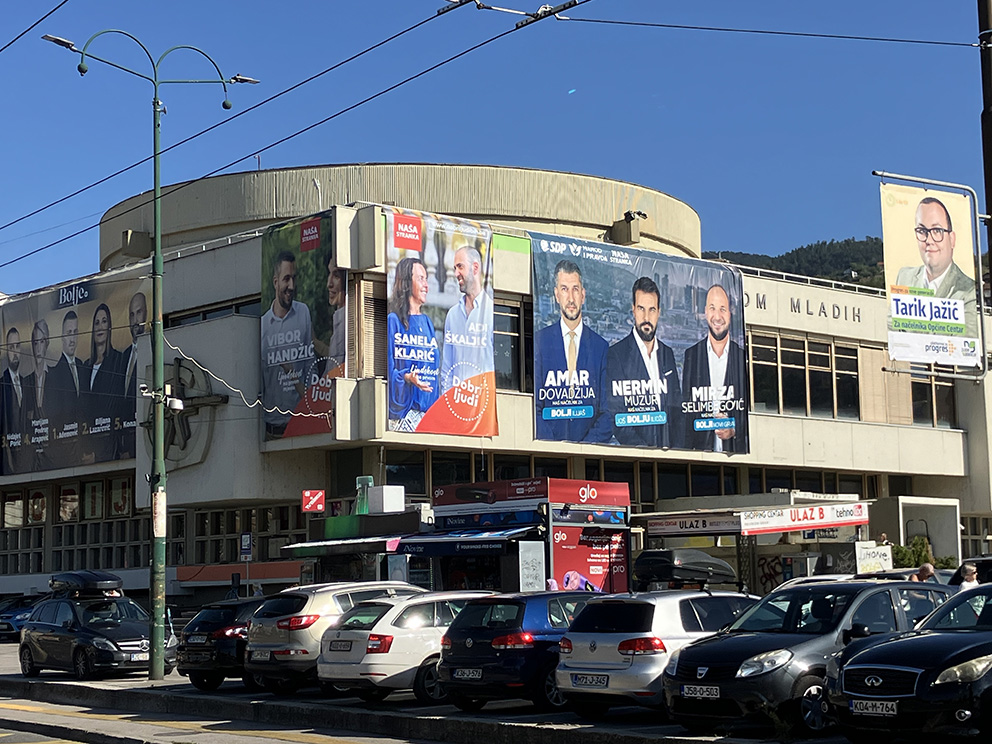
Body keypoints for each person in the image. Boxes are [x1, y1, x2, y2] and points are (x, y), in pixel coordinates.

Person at [533, 259, 611, 442]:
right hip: (548, 454)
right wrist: (555, 448)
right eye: (564, 289)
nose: (570, 298)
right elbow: (534, 406)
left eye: (575, 289)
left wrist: (583, 448)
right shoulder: (540, 342)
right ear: (556, 295)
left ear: (583, 295)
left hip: (590, 459)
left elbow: (608, 413)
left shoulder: (600, 348)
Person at [606, 276, 683, 448]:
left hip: (670, 458)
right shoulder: (617, 355)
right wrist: (644, 452)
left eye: (652, 310)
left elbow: (677, 411)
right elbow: (616, 417)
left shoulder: (667, 354)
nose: (646, 317)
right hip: (637, 457)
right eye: (641, 309)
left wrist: (676, 451)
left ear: (659, 312)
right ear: (633, 310)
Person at [895, 196, 977, 335]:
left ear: (952, 239)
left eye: (937, 231)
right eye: (922, 231)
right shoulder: (904, 278)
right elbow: (894, 331)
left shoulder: (968, 290)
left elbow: (966, 343)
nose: (929, 240)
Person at [681, 284, 748, 452]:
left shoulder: (741, 357)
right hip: (701, 456)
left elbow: (749, 407)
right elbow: (686, 410)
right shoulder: (692, 356)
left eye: (723, 309)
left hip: (736, 457)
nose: (717, 317)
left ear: (730, 313)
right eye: (712, 308)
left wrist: (734, 431)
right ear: (705, 312)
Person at [260, 250, 314, 439]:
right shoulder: (263, 325)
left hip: (301, 423)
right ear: (276, 282)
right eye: (286, 279)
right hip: (273, 429)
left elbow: (310, 365)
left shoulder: (303, 313)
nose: (291, 286)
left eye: (294, 278)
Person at [387, 257, 440, 432]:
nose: (426, 285)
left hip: (428, 415)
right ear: (406, 283)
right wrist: (407, 378)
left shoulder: (427, 323)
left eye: (426, 279)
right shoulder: (393, 321)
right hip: (403, 416)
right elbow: (388, 370)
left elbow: (435, 369)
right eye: (420, 278)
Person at [439, 245, 494, 392]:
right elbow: (447, 367)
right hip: (456, 404)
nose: (456, 273)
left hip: (481, 405)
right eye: (455, 268)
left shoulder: (491, 313)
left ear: (475, 268)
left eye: (460, 267)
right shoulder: (452, 315)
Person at [82, 303, 125, 463]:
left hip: (109, 447)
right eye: (97, 322)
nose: (100, 326)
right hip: (86, 447)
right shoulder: (85, 367)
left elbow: (117, 407)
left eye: (104, 321)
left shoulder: (118, 360)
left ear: (110, 327)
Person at [45, 310, 86, 466]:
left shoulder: (83, 367)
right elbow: (55, 417)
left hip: (84, 446)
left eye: (75, 333)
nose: (72, 339)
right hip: (65, 450)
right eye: (69, 333)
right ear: (62, 337)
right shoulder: (54, 374)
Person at [118, 292, 147, 458]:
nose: (135, 320)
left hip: (143, 441)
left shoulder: (153, 351)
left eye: (139, 312)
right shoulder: (121, 358)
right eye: (132, 314)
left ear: (147, 313)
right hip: (122, 444)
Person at [23, 320, 52, 471]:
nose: (38, 348)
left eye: (42, 342)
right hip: (31, 452)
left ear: (47, 343)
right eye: (35, 343)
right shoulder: (26, 382)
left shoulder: (55, 378)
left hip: (53, 452)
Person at [1, 327, 30, 474]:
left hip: (27, 458)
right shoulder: (1, 385)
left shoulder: (27, 384)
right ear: (6, 351)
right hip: (7, 461)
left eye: (17, 346)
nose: (14, 352)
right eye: (11, 347)